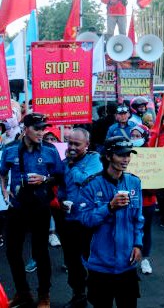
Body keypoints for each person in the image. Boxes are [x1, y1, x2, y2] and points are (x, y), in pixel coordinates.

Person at [0, 113, 64, 308]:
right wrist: (4, 190)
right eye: (37, 128)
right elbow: (2, 173)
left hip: (40, 207)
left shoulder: (50, 150)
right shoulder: (10, 149)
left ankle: (44, 295)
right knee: (12, 251)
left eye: (43, 128)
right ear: (25, 128)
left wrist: (45, 180)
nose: (41, 132)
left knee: (40, 252)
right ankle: (22, 292)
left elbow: (60, 176)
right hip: (17, 207)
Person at [78, 136, 144, 308]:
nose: (126, 159)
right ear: (108, 156)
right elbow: (84, 220)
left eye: (129, 154)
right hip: (100, 266)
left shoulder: (134, 182)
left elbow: (139, 219)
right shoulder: (91, 185)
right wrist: (109, 207)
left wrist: (138, 244)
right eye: (121, 155)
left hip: (127, 265)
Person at [56, 128, 103, 308]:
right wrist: (61, 200)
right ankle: (78, 295)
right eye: (70, 143)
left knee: (91, 258)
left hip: (89, 219)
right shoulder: (65, 162)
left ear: (87, 145)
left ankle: (96, 296)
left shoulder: (94, 160)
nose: (72, 147)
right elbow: (63, 185)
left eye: (77, 144)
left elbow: (85, 181)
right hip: (69, 218)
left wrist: (71, 164)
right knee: (72, 259)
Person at [129, 125, 156, 275]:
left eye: (137, 135)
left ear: (144, 137)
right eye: (132, 136)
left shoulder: (153, 155)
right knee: (129, 228)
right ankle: (129, 256)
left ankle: (145, 258)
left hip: (147, 201)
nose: (134, 138)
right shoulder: (125, 153)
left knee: (146, 230)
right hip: (130, 201)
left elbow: (157, 180)